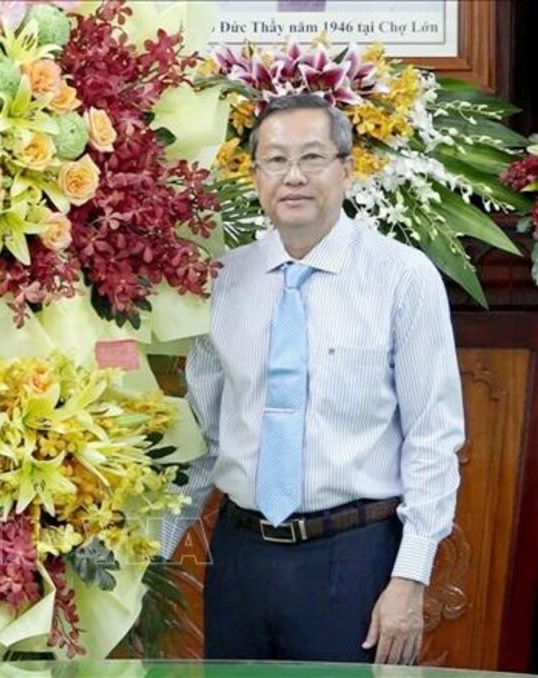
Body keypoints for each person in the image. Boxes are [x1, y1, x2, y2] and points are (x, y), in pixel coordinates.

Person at [162, 94, 464, 665]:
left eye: (312, 157)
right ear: (255, 175)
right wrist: (148, 553)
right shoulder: (223, 280)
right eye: (276, 160)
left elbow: (433, 436)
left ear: (347, 169)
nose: (293, 176)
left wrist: (410, 578)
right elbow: (206, 438)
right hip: (240, 556)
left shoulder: (402, 277)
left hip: (353, 560)